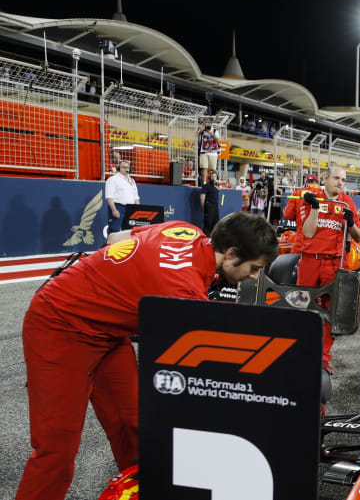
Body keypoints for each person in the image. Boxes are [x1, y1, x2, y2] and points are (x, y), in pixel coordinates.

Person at [15, 214, 277, 500]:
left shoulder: (184, 230)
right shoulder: (182, 290)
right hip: (58, 325)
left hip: (107, 331)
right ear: (231, 254)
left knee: (134, 425)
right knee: (57, 447)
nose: (254, 276)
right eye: (255, 268)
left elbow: (116, 239)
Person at [298, 165, 360, 372]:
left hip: (335, 263)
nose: (340, 183)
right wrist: (315, 209)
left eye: (343, 180)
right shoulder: (312, 198)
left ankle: (323, 357)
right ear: (325, 178)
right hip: (310, 260)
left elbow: (359, 237)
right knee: (304, 305)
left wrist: (351, 222)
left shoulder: (348, 201)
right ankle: (302, 350)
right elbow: (307, 234)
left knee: (330, 311)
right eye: (336, 178)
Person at [282, 174, 322, 254]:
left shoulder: (297, 193)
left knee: (295, 263)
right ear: (318, 183)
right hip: (320, 243)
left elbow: (288, 215)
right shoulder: (324, 194)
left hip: (301, 242)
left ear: (305, 183)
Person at [105, 159, 139, 234]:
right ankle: (111, 245)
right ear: (119, 168)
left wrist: (137, 209)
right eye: (124, 167)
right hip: (118, 207)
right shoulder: (113, 179)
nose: (126, 169)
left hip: (130, 208)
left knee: (128, 231)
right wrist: (114, 210)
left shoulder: (132, 181)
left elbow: (136, 197)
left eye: (127, 167)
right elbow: (109, 196)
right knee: (114, 230)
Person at [200, 170, 221, 235]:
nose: (214, 178)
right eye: (212, 176)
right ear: (209, 177)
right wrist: (203, 207)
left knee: (216, 222)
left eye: (215, 176)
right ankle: (206, 238)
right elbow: (202, 196)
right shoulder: (206, 186)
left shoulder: (216, 186)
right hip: (209, 206)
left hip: (215, 206)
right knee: (208, 223)